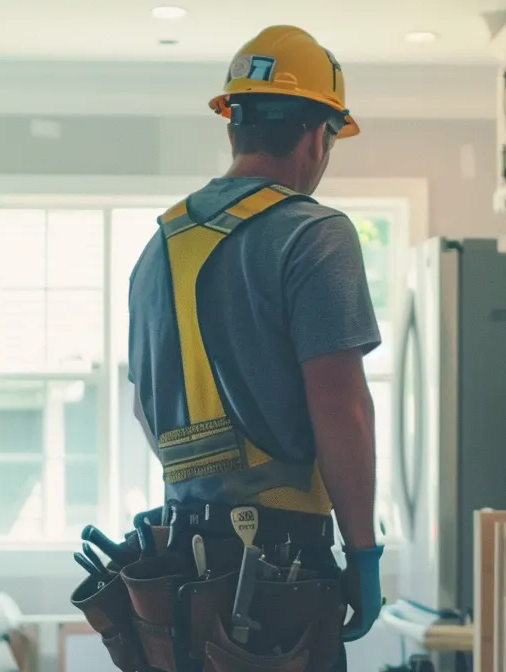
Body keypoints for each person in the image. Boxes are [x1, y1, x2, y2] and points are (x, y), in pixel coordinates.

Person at [96, 24, 381, 672]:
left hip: (174, 564)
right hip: (282, 567)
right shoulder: (315, 235)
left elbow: (145, 406)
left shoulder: (157, 248)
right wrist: (363, 553)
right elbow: (341, 408)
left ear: (233, 127)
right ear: (318, 135)